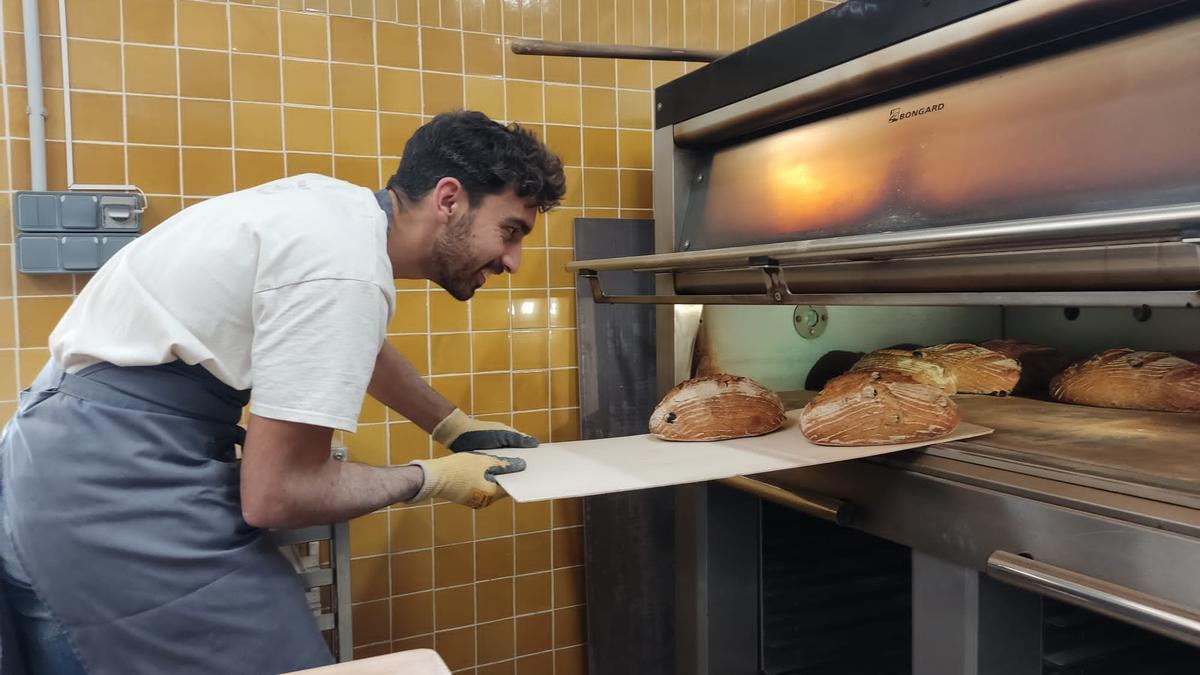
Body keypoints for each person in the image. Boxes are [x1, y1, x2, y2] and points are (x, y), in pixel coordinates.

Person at [0, 110, 566, 674]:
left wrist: (450, 424)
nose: (512, 261)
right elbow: (279, 493)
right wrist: (431, 478)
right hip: (109, 491)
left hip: (64, 458)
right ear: (449, 200)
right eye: (511, 230)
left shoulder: (332, 213)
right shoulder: (345, 269)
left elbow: (345, 338)